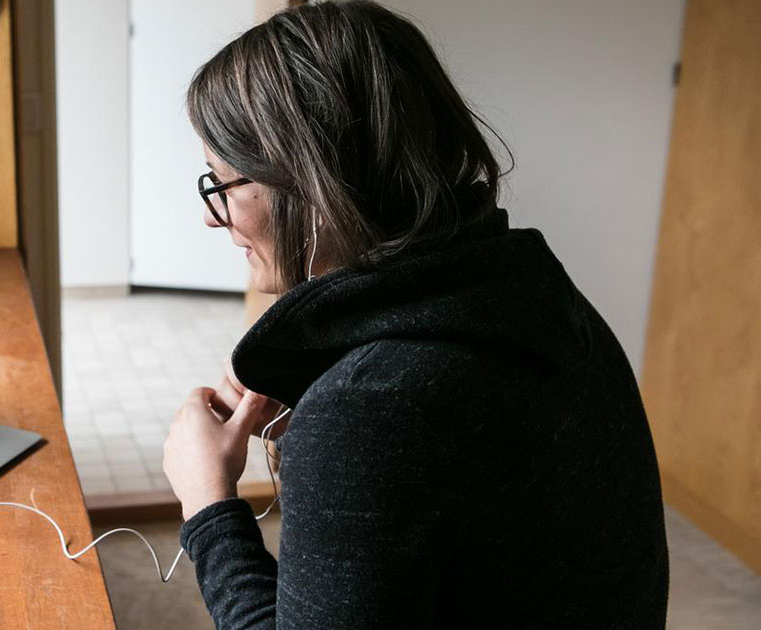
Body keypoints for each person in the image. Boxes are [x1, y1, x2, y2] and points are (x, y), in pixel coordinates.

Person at [160, 2, 668, 628]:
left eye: (223, 184)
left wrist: (207, 503)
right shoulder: (538, 297)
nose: (213, 216)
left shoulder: (371, 408)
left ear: (311, 182)